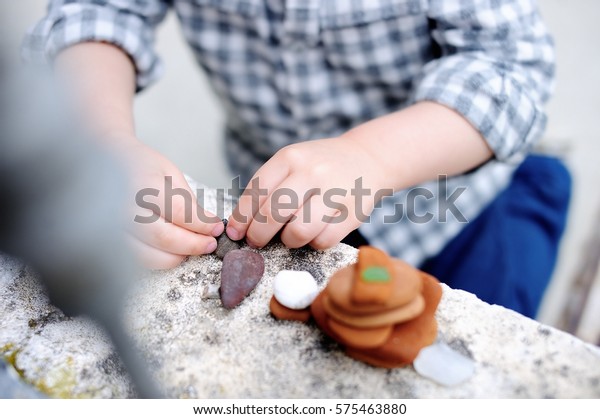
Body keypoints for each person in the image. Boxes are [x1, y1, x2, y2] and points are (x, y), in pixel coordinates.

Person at [23, 0, 570, 318]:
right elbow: (94, 10)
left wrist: (371, 155)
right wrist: (103, 146)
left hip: (459, 203)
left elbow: (511, 67)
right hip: (280, 207)